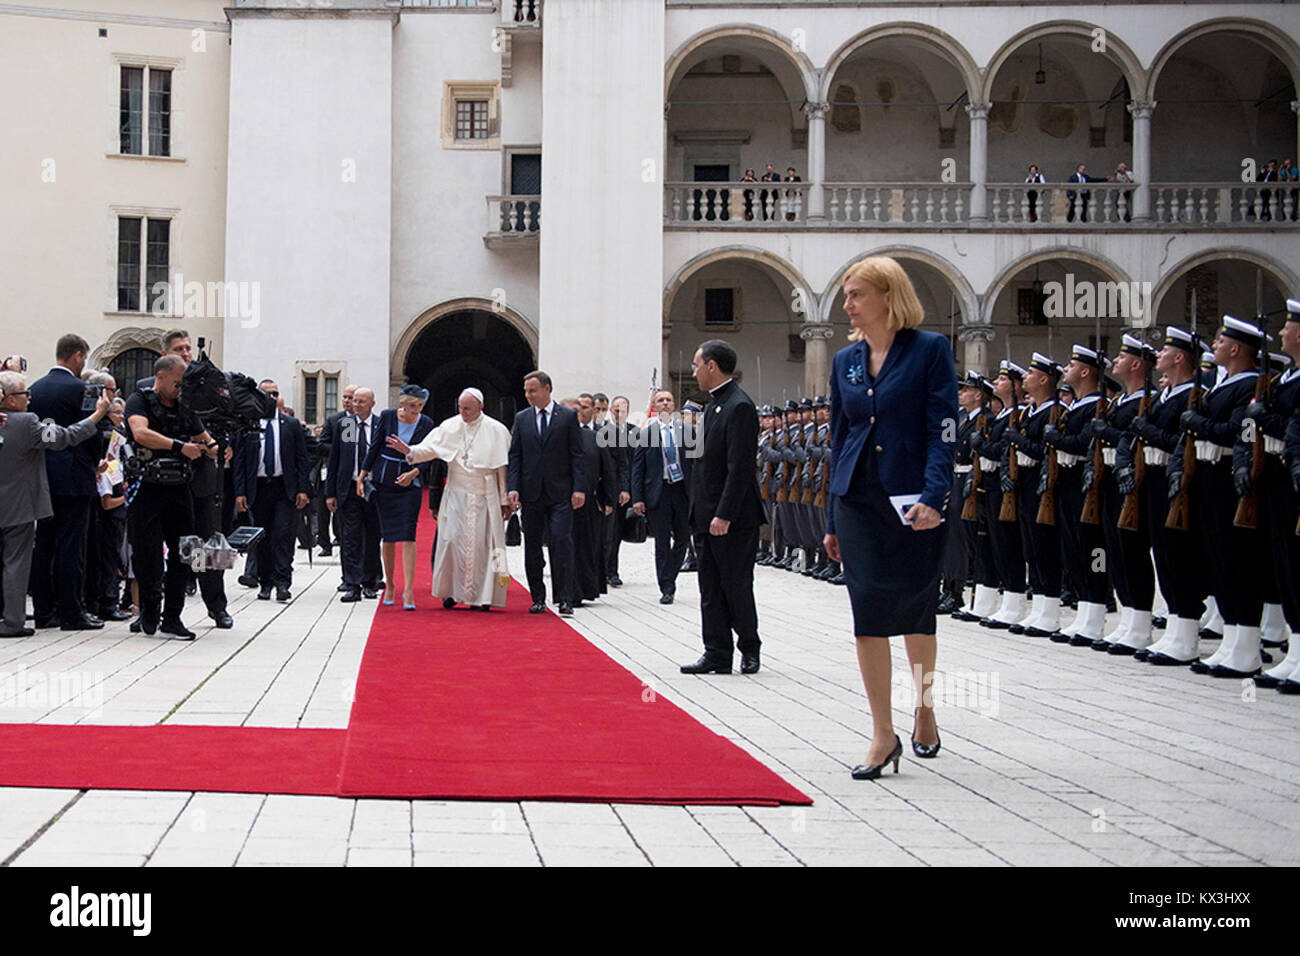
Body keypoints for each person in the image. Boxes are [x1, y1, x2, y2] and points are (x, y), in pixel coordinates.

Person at [820, 256, 957, 780]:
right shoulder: (845, 360)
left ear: (887, 296)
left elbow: (944, 427)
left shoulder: (928, 351)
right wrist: (832, 515)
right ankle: (882, 732)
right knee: (869, 612)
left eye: (856, 294)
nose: (847, 304)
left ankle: (923, 707)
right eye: (847, 294)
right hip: (858, 499)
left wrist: (935, 493)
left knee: (916, 609)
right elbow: (839, 437)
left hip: (913, 500)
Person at [0, 372, 111, 637]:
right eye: (24, 394)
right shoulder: (26, 424)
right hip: (18, 506)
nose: (30, 398)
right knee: (15, 563)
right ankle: (13, 622)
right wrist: (96, 415)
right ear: (10, 400)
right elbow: (66, 436)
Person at [680, 339, 766, 675]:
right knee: (710, 588)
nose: (693, 371)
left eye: (696, 365)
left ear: (712, 366)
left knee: (736, 584)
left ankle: (749, 647)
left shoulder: (739, 406)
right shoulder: (713, 405)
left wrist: (724, 514)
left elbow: (740, 468)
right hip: (706, 515)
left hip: (731, 518)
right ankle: (716, 650)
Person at [124, 355, 219, 638]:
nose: (181, 388)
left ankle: (173, 617)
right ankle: (149, 611)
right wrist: (179, 446)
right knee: (147, 555)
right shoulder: (139, 400)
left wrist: (214, 447)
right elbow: (140, 433)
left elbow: (205, 438)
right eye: (178, 382)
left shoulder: (185, 406)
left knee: (185, 554)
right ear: (162, 376)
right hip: (146, 488)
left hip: (179, 488)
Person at [398, 387, 510, 611]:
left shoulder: (496, 430)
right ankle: (449, 592)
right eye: (460, 407)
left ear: (481, 407)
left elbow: (502, 469)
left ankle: (483, 596)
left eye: (467, 408)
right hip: (456, 495)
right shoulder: (450, 426)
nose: (463, 412)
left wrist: (504, 499)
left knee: (484, 547)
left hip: (485, 496)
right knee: (449, 543)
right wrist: (409, 451)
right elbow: (429, 448)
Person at [27, 334, 105, 631]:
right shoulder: (82, 389)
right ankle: (72, 611)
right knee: (72, 547)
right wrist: (95, 461)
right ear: (76, 356)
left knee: (44, 544)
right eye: (83, 358)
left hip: (43, 477)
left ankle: (44, 611)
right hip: (74, 477)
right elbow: (91, 431)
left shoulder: (35, 388)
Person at [507, 370, 585, 617]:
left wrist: (579, 488)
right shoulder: (522, 418)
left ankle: (564, 597)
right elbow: (515, 455)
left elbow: (577, 455)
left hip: (561, 492)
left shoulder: (568, 417)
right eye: (526, 391)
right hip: (531, 493)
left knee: (561, 541)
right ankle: (537, 597)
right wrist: (513, 487)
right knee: (532, 546)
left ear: (547, 389)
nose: (528, 395)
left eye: (532, 390)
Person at [358, 384, 435, 609]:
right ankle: (390, 584)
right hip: (385, 480)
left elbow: (429, 453)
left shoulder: (427, 423)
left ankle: (408, 590)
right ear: (402, 403)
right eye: (412, 406)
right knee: (388, 536)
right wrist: (362, 475)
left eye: (420, 405)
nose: (416, 410)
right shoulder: (388, 416)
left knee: (409, 535)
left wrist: (414, 473)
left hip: (410, 482)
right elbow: (375, 447)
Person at [234, 380, 311, 603]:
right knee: (262, 537)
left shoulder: (291, 425)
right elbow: (240, 461)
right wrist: (240, 492)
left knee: (283, 535)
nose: (271, 397)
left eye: (275, 393)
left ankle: (282, 583)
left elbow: (301, 459)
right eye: (266, 393)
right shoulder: (248, 425)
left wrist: (303, 489)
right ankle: (265, 582)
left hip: (283, 488)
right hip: (258, 488)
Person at [632, 388, 693, 605]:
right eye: (661, 400)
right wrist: (637, 498)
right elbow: (638, 468)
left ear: (673, 405)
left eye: (668, 400)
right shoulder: (646, 434)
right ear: (655, 407)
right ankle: (667, 586)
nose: (665, 403)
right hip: (658, 492)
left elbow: (696, 464)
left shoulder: (687, 431)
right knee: (661, 541)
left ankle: (671, 573)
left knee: (683, 539)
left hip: (682, 491)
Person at [327, 387, 384, 601]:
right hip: (349, 489)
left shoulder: (380, 426)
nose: (356, 405)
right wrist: (330, 492)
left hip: (373, 490)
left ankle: (370, 581)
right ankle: (352, 583)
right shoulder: (347, 425)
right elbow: (337, 458)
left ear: (372, 403)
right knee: (350, 538)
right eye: (355, 401)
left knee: (371, 537)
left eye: (361, 401)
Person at [570, 394, 618, 604]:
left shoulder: (596, 436)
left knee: (591, 546)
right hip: (564, 499)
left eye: (584, 407)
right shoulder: (564, 434)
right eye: (577, 407)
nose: (580, 411)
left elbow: (608, 468)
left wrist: (610, 498)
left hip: (591, 499)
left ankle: (588, 587)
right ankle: (569, 591)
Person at [316, 383, 356, 557]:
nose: (346, 401)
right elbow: (321, 445)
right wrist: (341, 450)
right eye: (344, 397)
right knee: (323, 509)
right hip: (331, 471)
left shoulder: (366, 422)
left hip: (354, 474)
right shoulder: (335, 420)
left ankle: (341, 538)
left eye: (350, 398)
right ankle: (324, 542)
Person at [601, 395, 635, 586]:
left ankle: (612, 570)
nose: (618, 412)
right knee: (605, 533)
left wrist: (627, 489)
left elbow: (635, 465)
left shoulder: (636, 433)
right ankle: (603, 569)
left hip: (624, 491)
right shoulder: (603, 431)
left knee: (616, 533)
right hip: (606, 489)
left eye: (622, 410)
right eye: (615, 409)